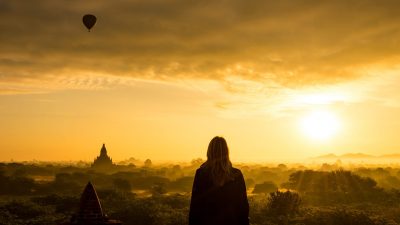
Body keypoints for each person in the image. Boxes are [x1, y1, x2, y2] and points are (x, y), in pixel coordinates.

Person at [189, 136, 249, 225]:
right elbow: (243, 207)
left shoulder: (201, 174)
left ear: (209, 152)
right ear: (227, 152)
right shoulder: (236, 174)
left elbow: (195, 207)